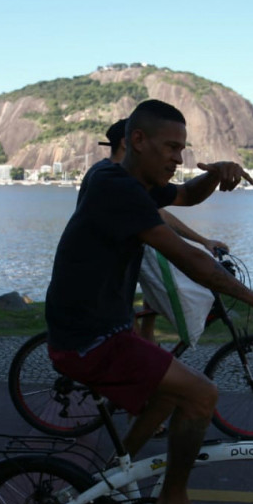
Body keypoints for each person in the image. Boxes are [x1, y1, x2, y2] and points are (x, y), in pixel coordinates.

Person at [45, 99, 253, 504]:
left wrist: (215, 175)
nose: (179, 158)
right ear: (137, 140)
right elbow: (189, 259)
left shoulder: (128, 181)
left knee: (170, 395)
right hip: (90, 339)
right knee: (202, 394)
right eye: (172, 148)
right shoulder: (113, 187)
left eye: (183, 149)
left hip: (99, 329)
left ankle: (114, 473)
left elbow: (188, 195)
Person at [98, 118, 229, 341]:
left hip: (120, 278)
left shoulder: (123, 178)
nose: (174, 158)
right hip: (106, 289)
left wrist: (204, 240)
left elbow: (179, 199)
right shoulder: (115, 181)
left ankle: (147, 342)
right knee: (131, 346)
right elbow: (184, 251)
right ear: (129, 142)